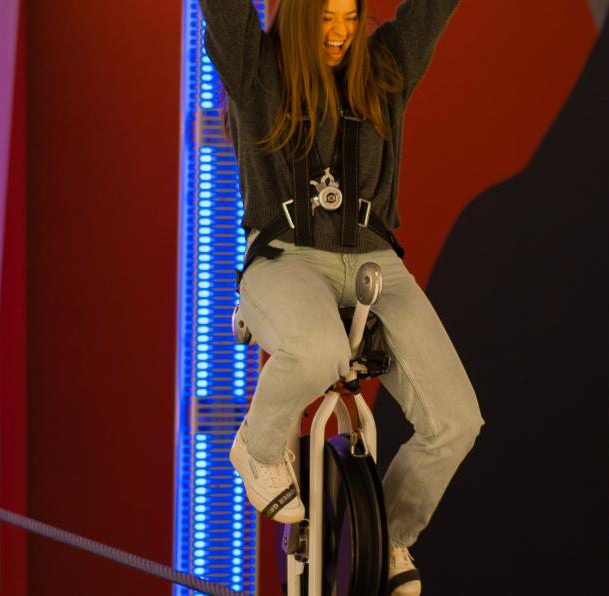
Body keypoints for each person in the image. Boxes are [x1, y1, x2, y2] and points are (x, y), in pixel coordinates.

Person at [202, 0, 480, 593]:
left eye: (350, 17)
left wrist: (378, 536)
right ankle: (257, 447)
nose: (340, 32)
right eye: (327, 18)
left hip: (374, 263)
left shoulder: (384, 68)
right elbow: (225, 12)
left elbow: (431, 11)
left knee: (456, 421)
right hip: (284, 261)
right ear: (301, 18)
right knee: (316, 349)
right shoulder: (257, 68)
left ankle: (391, 535)